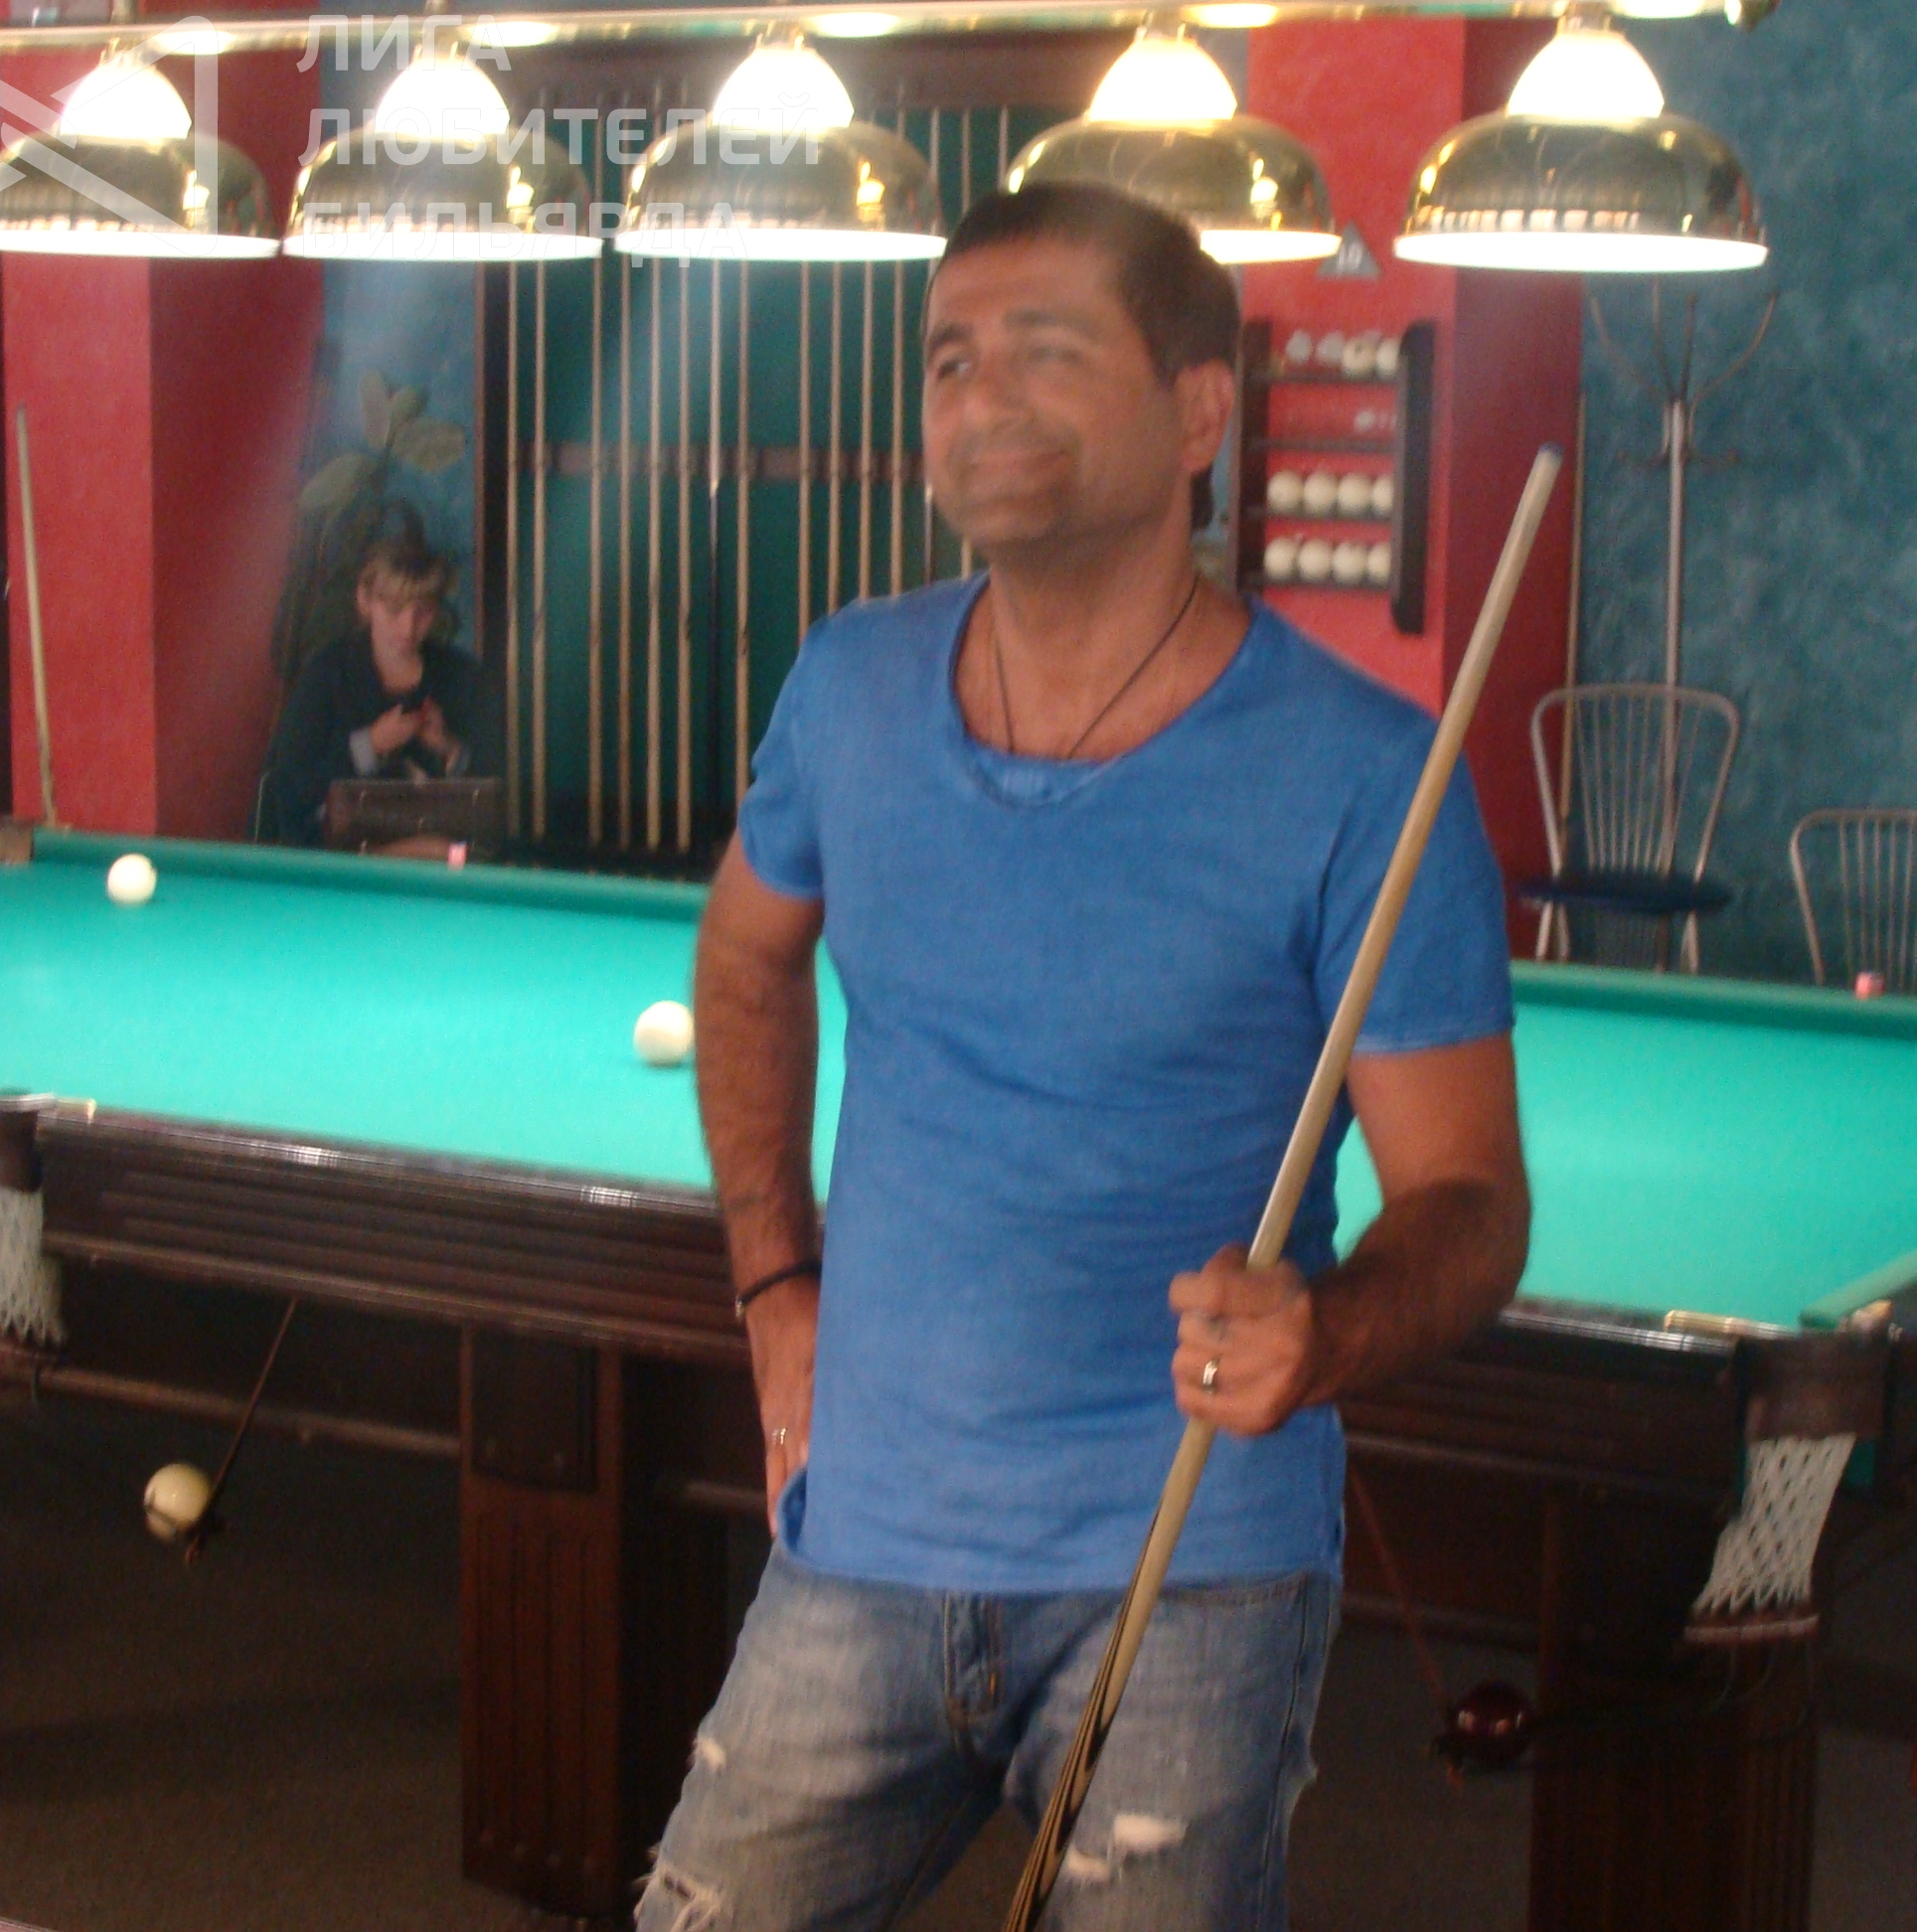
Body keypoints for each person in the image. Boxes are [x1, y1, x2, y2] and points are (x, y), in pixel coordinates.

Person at [639, 184, 1530, 1932]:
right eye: (950, 360)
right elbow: (744, 957)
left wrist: (1327, 1328)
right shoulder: (849, 682)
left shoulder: (1369, 775)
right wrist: (773, 1285)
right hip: (864, 1533)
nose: (981, 398)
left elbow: (1470, 1200)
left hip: (1189, 1567)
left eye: (1045, 352)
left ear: (1198, 412)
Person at [262, 533, 480, 845]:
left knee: (447, 851)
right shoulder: (326, 673)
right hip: (334, 856)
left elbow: (493, 797)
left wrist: (449, 748)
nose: (408, 627)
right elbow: (291, 787)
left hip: (437, 851)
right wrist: (370, 745)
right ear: (365, 601)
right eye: (394, 610)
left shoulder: (461, 675)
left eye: (423, 612)